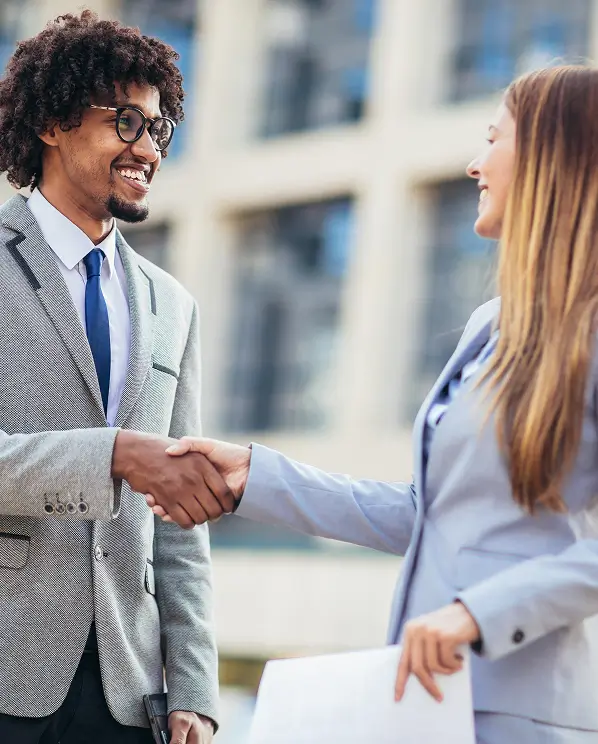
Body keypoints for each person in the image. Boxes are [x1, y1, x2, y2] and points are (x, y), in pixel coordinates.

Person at [150, 65, 598, 743]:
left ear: (548, 156)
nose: (476, 165)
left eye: (493, 139)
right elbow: (426, 513)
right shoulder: (490, 326)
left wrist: (477, 612)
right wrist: (256, 476)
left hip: (524, 714)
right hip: (430, 706)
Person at [0, 11, 234, 744]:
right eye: (125, 121)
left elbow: (181, 519)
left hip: (126, 697)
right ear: (52, 124)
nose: (147, 148)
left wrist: (193, 683)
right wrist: (110, 455)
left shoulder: (175, 305)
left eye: (158, 129)